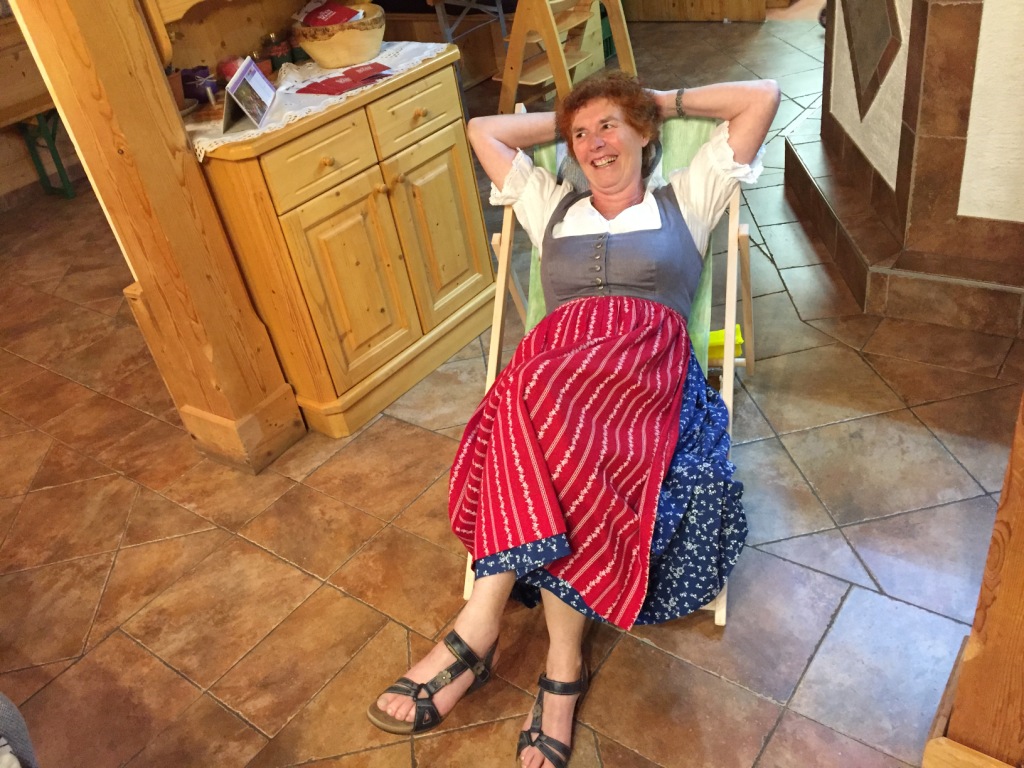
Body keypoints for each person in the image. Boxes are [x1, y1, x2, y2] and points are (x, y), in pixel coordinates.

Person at [367, 71, 780, 768]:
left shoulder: (689, 196)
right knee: (540, 392)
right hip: (555, 380)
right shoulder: (551, 204)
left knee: (536, 393)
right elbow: (482, 131)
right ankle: (562, 663)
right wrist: (568, 123)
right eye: (581, 134)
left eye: (610, 126)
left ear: (644, 135)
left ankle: (476, 631)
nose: (595, 143)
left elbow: (760, 97)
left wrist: (655, 103)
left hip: (644, 379)